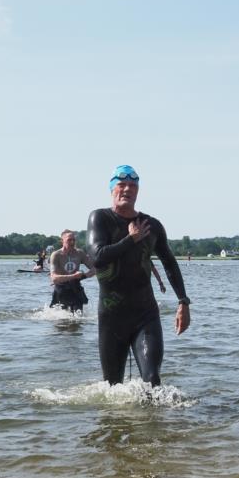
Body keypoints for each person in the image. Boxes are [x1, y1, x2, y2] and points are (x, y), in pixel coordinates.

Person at [87, 165, 190, 385]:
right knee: (112, 387)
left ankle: (155, 417)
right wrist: (130, 239)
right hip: (111, 317)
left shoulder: (151, 225)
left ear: (138, 191)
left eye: (132, 186)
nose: (127, 189)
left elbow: (169, 262)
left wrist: (183, 301)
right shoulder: (100, 218)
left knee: (152, 379)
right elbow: (97, 257)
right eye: (121, 185)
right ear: (112, 189)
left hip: (145, 315)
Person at [49, 229, 96, 312]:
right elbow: (54, 278)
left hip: (75, 287)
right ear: (62, 241)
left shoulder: (80, 253)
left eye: (74, 240)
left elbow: (95, 269)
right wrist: (73, 276)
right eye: (69, 240)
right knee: (62, 318)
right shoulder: (56, 255)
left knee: (78, 317)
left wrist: (83, 276)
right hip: (61, 288)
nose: (72, 242)